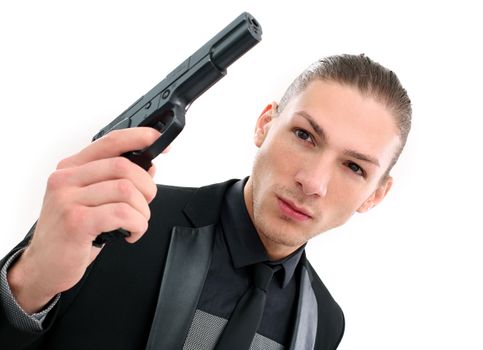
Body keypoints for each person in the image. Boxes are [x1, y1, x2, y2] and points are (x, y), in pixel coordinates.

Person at [0, 53, 411, 349]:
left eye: (354, 167)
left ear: (375, 195)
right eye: (304, 136)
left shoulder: (325, 324)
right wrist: (27, 287)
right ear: (265, 124)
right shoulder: (115, 217)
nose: (313, 182)